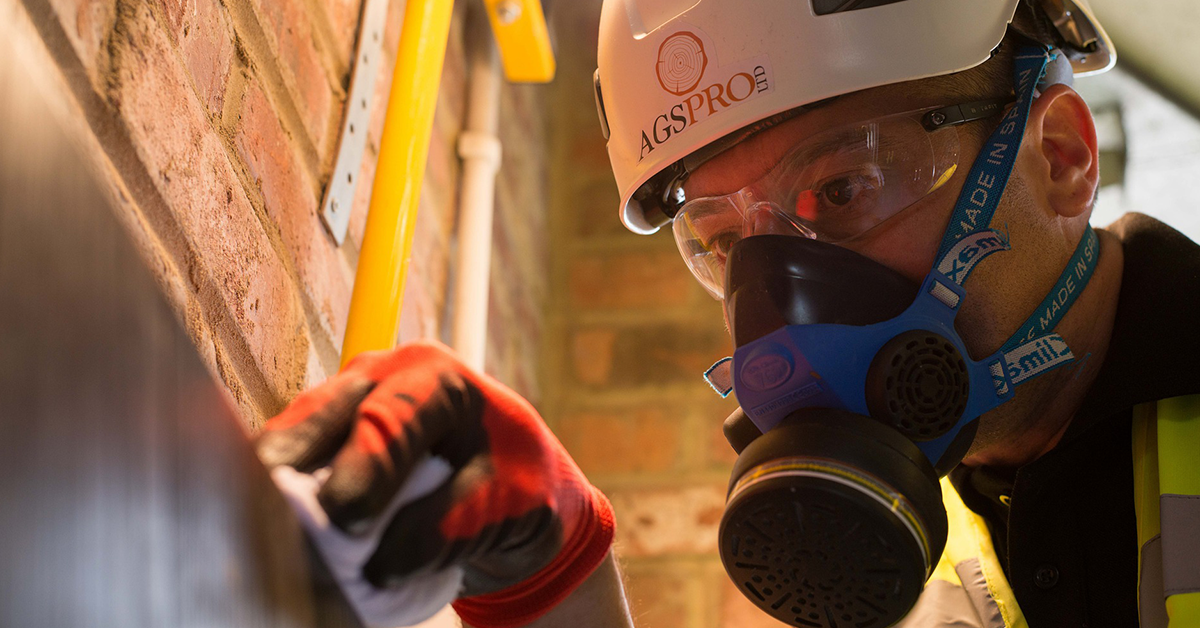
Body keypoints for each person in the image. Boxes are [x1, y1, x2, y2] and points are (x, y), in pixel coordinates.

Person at [255, 1, 1200, 626]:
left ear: (1063, 156)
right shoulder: (902, 560)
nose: (782, 294)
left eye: (842, 187)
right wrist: (551, 578)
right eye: (722, 241)